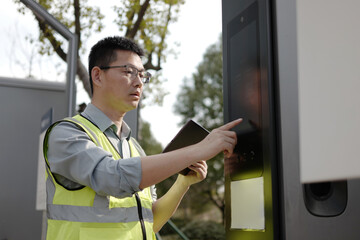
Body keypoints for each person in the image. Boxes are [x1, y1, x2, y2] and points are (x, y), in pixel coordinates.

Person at [43, 36, 241, 240]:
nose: (138, 83)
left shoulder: (134, 148)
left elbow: (149, 221)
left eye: (142, 75)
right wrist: (200, 149)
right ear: (97, 76)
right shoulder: (67, 134)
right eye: (128, 72)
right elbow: (112, 177)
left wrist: (183, 183)